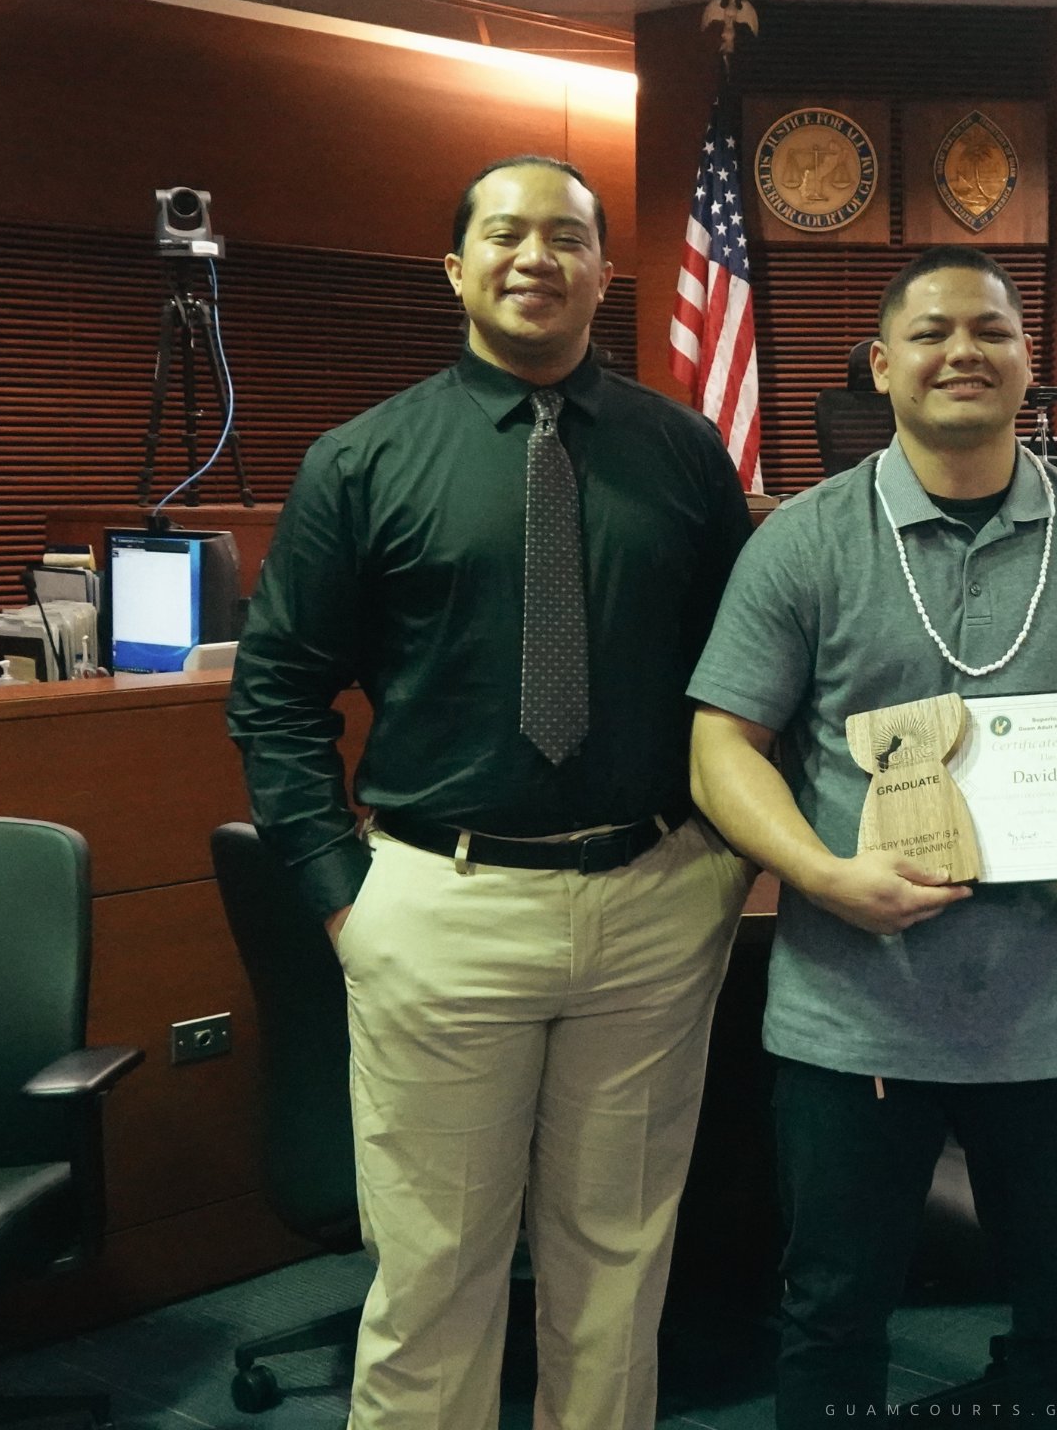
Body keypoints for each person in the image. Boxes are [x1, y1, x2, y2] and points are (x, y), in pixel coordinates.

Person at [226, 156, 755, 1430]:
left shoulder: (685, 455)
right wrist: (344, 896)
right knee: (434, 1274)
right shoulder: (362, 460)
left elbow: (745, 677)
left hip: (653, 902)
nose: (536, 257)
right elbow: (277, 693)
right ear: (456, 268)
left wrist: (721, 860)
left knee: (619, 1264)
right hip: (439, 906)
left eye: (566, 236)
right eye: (506, 235)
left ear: (605, 272)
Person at [686, 246, 1057, 1428]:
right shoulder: (804, 539)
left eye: (991, 330)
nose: (962, 351)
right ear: (881, 365)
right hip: (852, 1012)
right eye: (930, 333)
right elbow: (722, 746)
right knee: (834, 1313)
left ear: (1029, 363)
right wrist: (821, 872)